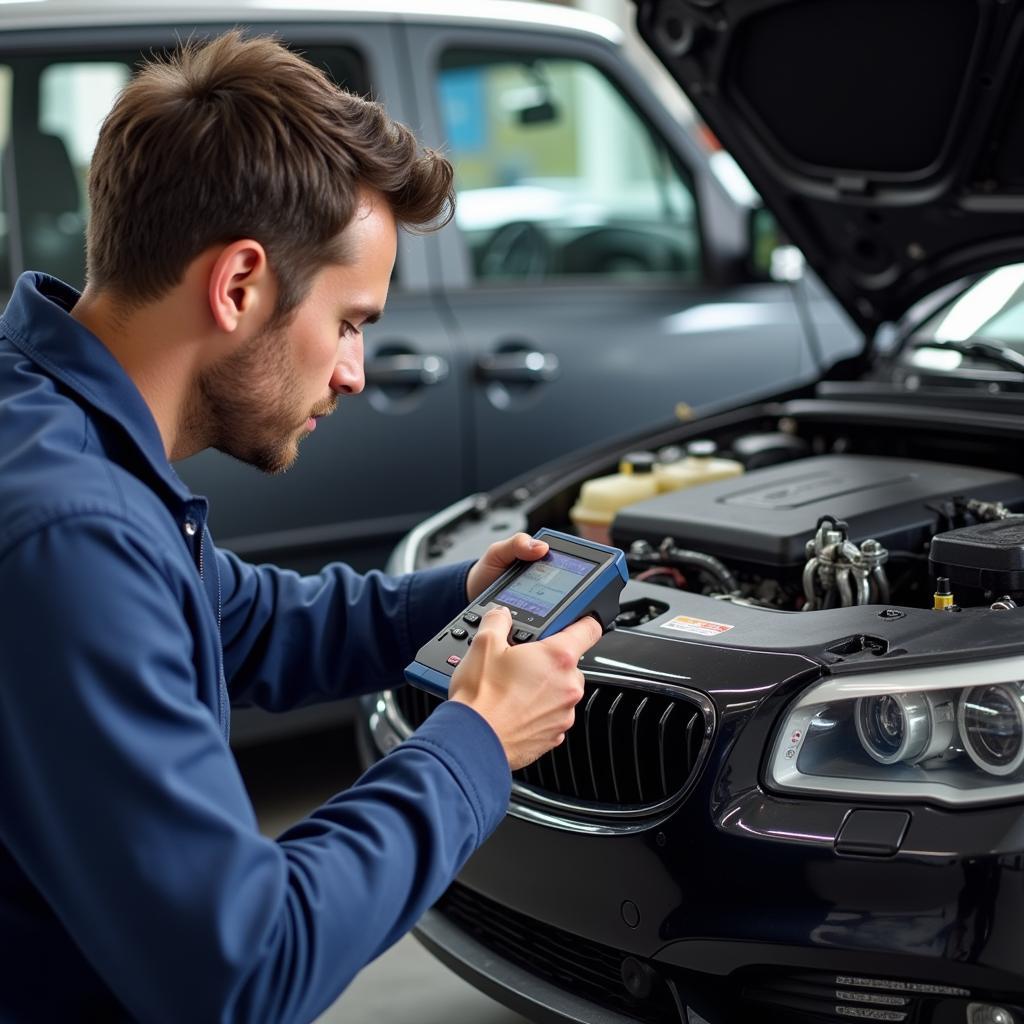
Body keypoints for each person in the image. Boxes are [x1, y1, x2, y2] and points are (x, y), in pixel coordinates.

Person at [0, 31, 602, 1023]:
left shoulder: (53, 422)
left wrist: (453, 600)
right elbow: (243, 970)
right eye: (352, 322)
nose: (355, 373)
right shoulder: (70, 532)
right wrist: (477, 743)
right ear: (239, 284)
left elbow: (241, 619)